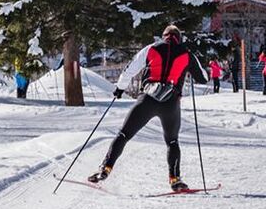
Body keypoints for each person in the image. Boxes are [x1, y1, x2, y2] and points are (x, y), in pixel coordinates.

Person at [89, 24, 210, 192]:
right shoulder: (187, 54)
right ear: (179, 38)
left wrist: (120, 88)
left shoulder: (151, 49)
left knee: (124, 134)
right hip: (170, 102)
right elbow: (204, 78)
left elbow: (129, 69)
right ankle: (175, 179)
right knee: (172, 141)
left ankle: (105, 168)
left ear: (164, 36)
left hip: (147, 99)